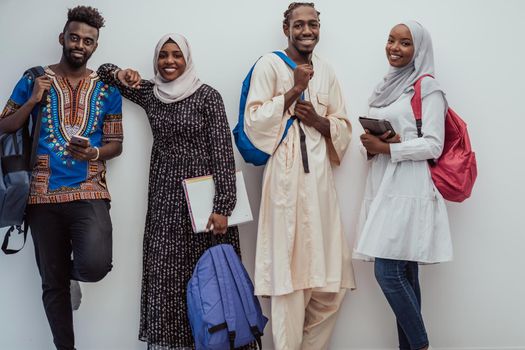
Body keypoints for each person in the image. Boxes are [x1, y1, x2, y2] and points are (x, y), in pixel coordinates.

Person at [97, 33, 255, 349]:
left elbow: (223, 152)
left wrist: (223, 206)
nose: (169, 61)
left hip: (204, 206)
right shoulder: (152, 94)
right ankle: (174, 344)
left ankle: (218, 339)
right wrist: (119, 74)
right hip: (165, 201)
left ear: (187, 59)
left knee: (212, 277)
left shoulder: (207, 96)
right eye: (163, 55)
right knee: (166, 277)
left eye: (176, 55)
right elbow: (103, 70)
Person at [0, 6, 123, 350]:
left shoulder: (106, 88)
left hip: (89, 190)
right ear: (62, 38)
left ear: (95, 45)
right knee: (51, 285)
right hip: (41, 193)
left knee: (97, 264)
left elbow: (116, 143)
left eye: (88, 40)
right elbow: (3, 124)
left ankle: (70, 275)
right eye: (74, 37)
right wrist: (32, 101)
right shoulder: (33, 79)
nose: (80, 44)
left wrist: (94, 154)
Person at [242, 3, 355, 349]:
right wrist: (292, 91)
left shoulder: (327, 70)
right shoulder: (269, 64)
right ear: (286, 27)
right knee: (288, 282)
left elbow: (343, 125)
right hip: (284, 181)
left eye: (313, 24)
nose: (307, 30)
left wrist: (317, 121)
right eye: (299, 24)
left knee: (331, 286)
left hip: (320, 183)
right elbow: (253, 121)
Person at [353, 21, 453, 350]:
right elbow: (401, 135)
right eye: (391, 40)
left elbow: (434, 145)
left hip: (410, 188)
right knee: (406, 274)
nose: (394, 48)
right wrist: (375, 144)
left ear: (419, 50)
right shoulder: (386, 86)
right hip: (385, 183)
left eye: (405, 43)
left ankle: (421, 344)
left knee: (388, 271)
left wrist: (390, 148)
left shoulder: (428, 88)